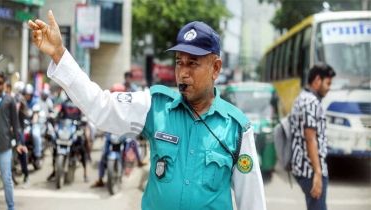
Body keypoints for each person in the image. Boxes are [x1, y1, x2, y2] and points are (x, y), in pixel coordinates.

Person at [28, 11, 266, 209]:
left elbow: (252, 203)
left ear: (215, 68)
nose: (183, 72)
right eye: (179, 62)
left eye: (193, 63)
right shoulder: (156, 106)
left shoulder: (237, 128)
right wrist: (60, 55)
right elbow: (100, 106)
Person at [289, 62, 336, 210]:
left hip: (304, 168)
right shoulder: (310, 102)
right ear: (317, 80)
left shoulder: (303, 97)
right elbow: (310, 138)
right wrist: (318, 173)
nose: (329, 88)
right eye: (327, 83)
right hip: (310, 170)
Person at [0, 71, 27, 210]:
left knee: (6, 179)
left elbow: (15, 124)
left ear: (4, 84)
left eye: (0, 83)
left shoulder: (9, 100)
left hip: (5, 146)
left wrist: (19, 143)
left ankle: (11, 207)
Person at [47, 95, 89, 183]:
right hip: (64, 129)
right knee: (54, 146)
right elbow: (56, 111)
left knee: (82, 146)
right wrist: (52, 115)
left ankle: (85, 173)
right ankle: (55, 171)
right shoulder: (63, 103)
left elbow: (83, 115)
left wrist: (83, 119)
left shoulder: (79, 104)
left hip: (75, 129)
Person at [13, 81, 30, 188]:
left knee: (22, 151)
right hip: (15, 128)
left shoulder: (18, 99)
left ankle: (26, 176)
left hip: (18, 129)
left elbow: (15, 112)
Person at [22, 83, 43, 168]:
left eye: (28, 94)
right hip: (24, 124)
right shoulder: (22, 101)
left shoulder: (35, 101)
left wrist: (33, 121)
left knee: (35, 135)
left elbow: (35, 114)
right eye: (25, 94)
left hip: (33, 124)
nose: (27, 96)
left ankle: (37, 155)